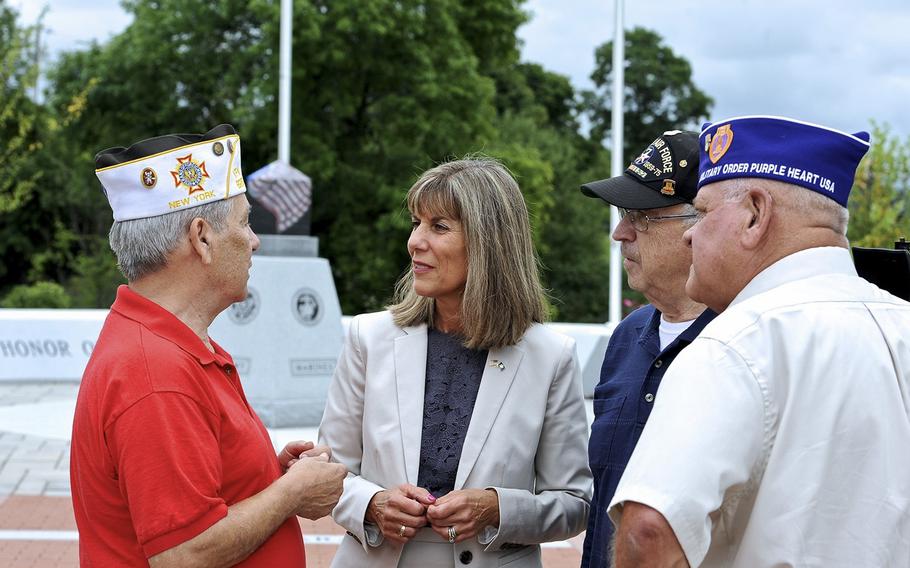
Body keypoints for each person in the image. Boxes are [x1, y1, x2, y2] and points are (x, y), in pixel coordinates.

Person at [609, 115, 910, 567]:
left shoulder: (732, 346)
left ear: (754, 213)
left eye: (705, 211)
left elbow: (649, 532)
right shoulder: (901, 323)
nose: (691, 232)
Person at [70, 124, 347, 567]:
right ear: (201, 238)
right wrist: (291, 492)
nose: (254, 241)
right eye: (244, 222)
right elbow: (183, 555)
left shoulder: (166, 347)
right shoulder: (155, 370)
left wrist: (266, 475)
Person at [318, 157, 592, 568]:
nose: (415, 241)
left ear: (488, 243)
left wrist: (498, 509)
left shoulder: (550, 356)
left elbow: (574, 503)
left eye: (438, 226)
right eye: (416, 223)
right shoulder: (367, 338)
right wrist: (373, 504)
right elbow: (328, 475)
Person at [577, 130, 716, 567]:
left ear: (701, 225)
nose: (620, 233)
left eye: (641, 217)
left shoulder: (744, 342)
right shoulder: (627, 336)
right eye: (623, 214)